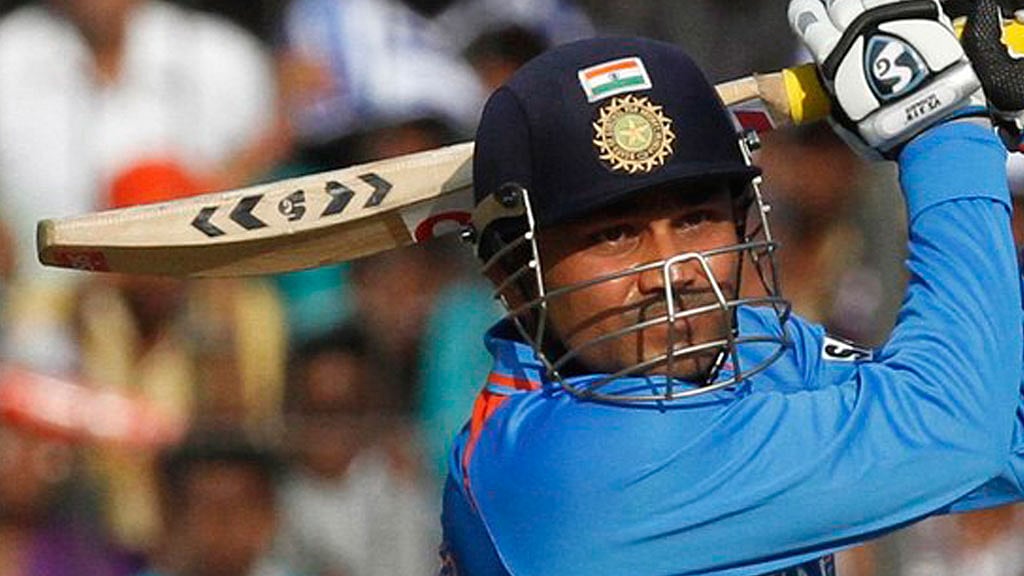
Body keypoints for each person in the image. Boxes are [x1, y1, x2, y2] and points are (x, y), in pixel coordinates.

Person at [440, 0, 1024, 574]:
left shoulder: (746, 351)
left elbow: (1003, 432)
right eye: (615, 235)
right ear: (514, 279)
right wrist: (945, 129)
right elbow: (956, 428)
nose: (672, 271)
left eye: (694, 219)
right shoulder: (559, 469)